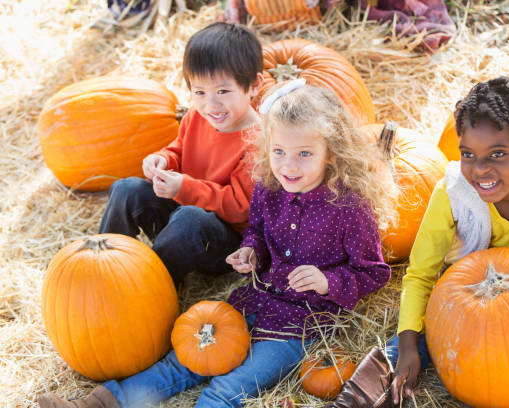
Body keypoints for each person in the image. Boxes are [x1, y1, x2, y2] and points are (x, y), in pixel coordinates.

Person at [38, 82, 398, 407]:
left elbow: (373, 273)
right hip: (256, 297)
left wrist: (326, 281)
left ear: (331, 153)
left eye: (305, 154)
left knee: (226, 390)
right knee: (182, 363)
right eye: (278, 152)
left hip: (301, 325)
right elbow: (255, 230)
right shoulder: (269, 186)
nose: (288, 166)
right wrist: (251, 251)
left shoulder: (349, 208)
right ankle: (94, 405)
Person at [328, 76, 509, 408]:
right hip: (470, 286)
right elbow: (421, 274)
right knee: (415, 339)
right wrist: (408, 346)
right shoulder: (451, 193)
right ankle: (357, 399)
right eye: (468, 154)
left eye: (498, 154)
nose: (480, 170)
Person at [97, 22, 263, 286]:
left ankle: (148, 285)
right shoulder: (197, 115)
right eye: (200, 92)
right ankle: (102, 262)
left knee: (191, 217)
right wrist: (163, 159)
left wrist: (184, 187)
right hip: (182, 211)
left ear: (253, 86)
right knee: (127, 188)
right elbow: (180, 149)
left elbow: (238, 208)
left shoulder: (257, 141)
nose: (211, 104)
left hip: (220, 241)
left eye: (223, 91)